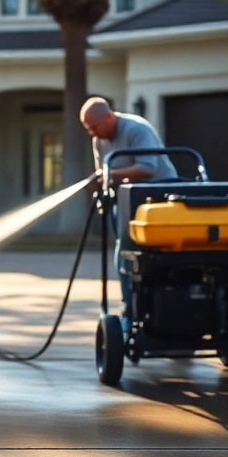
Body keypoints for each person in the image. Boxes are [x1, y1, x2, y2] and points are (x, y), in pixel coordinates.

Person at [80, 97, 177, 326]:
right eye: (88, 129)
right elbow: (102, 170)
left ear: (108, 116)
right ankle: (130, 310)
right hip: (126, 200)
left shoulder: (137, 129)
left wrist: (112, 175)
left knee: (157, 254)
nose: (92, 134)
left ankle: (164, 302)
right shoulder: (99, 140)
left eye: (94, 127)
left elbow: (147, 168)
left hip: (159, 198)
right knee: (124, 254)